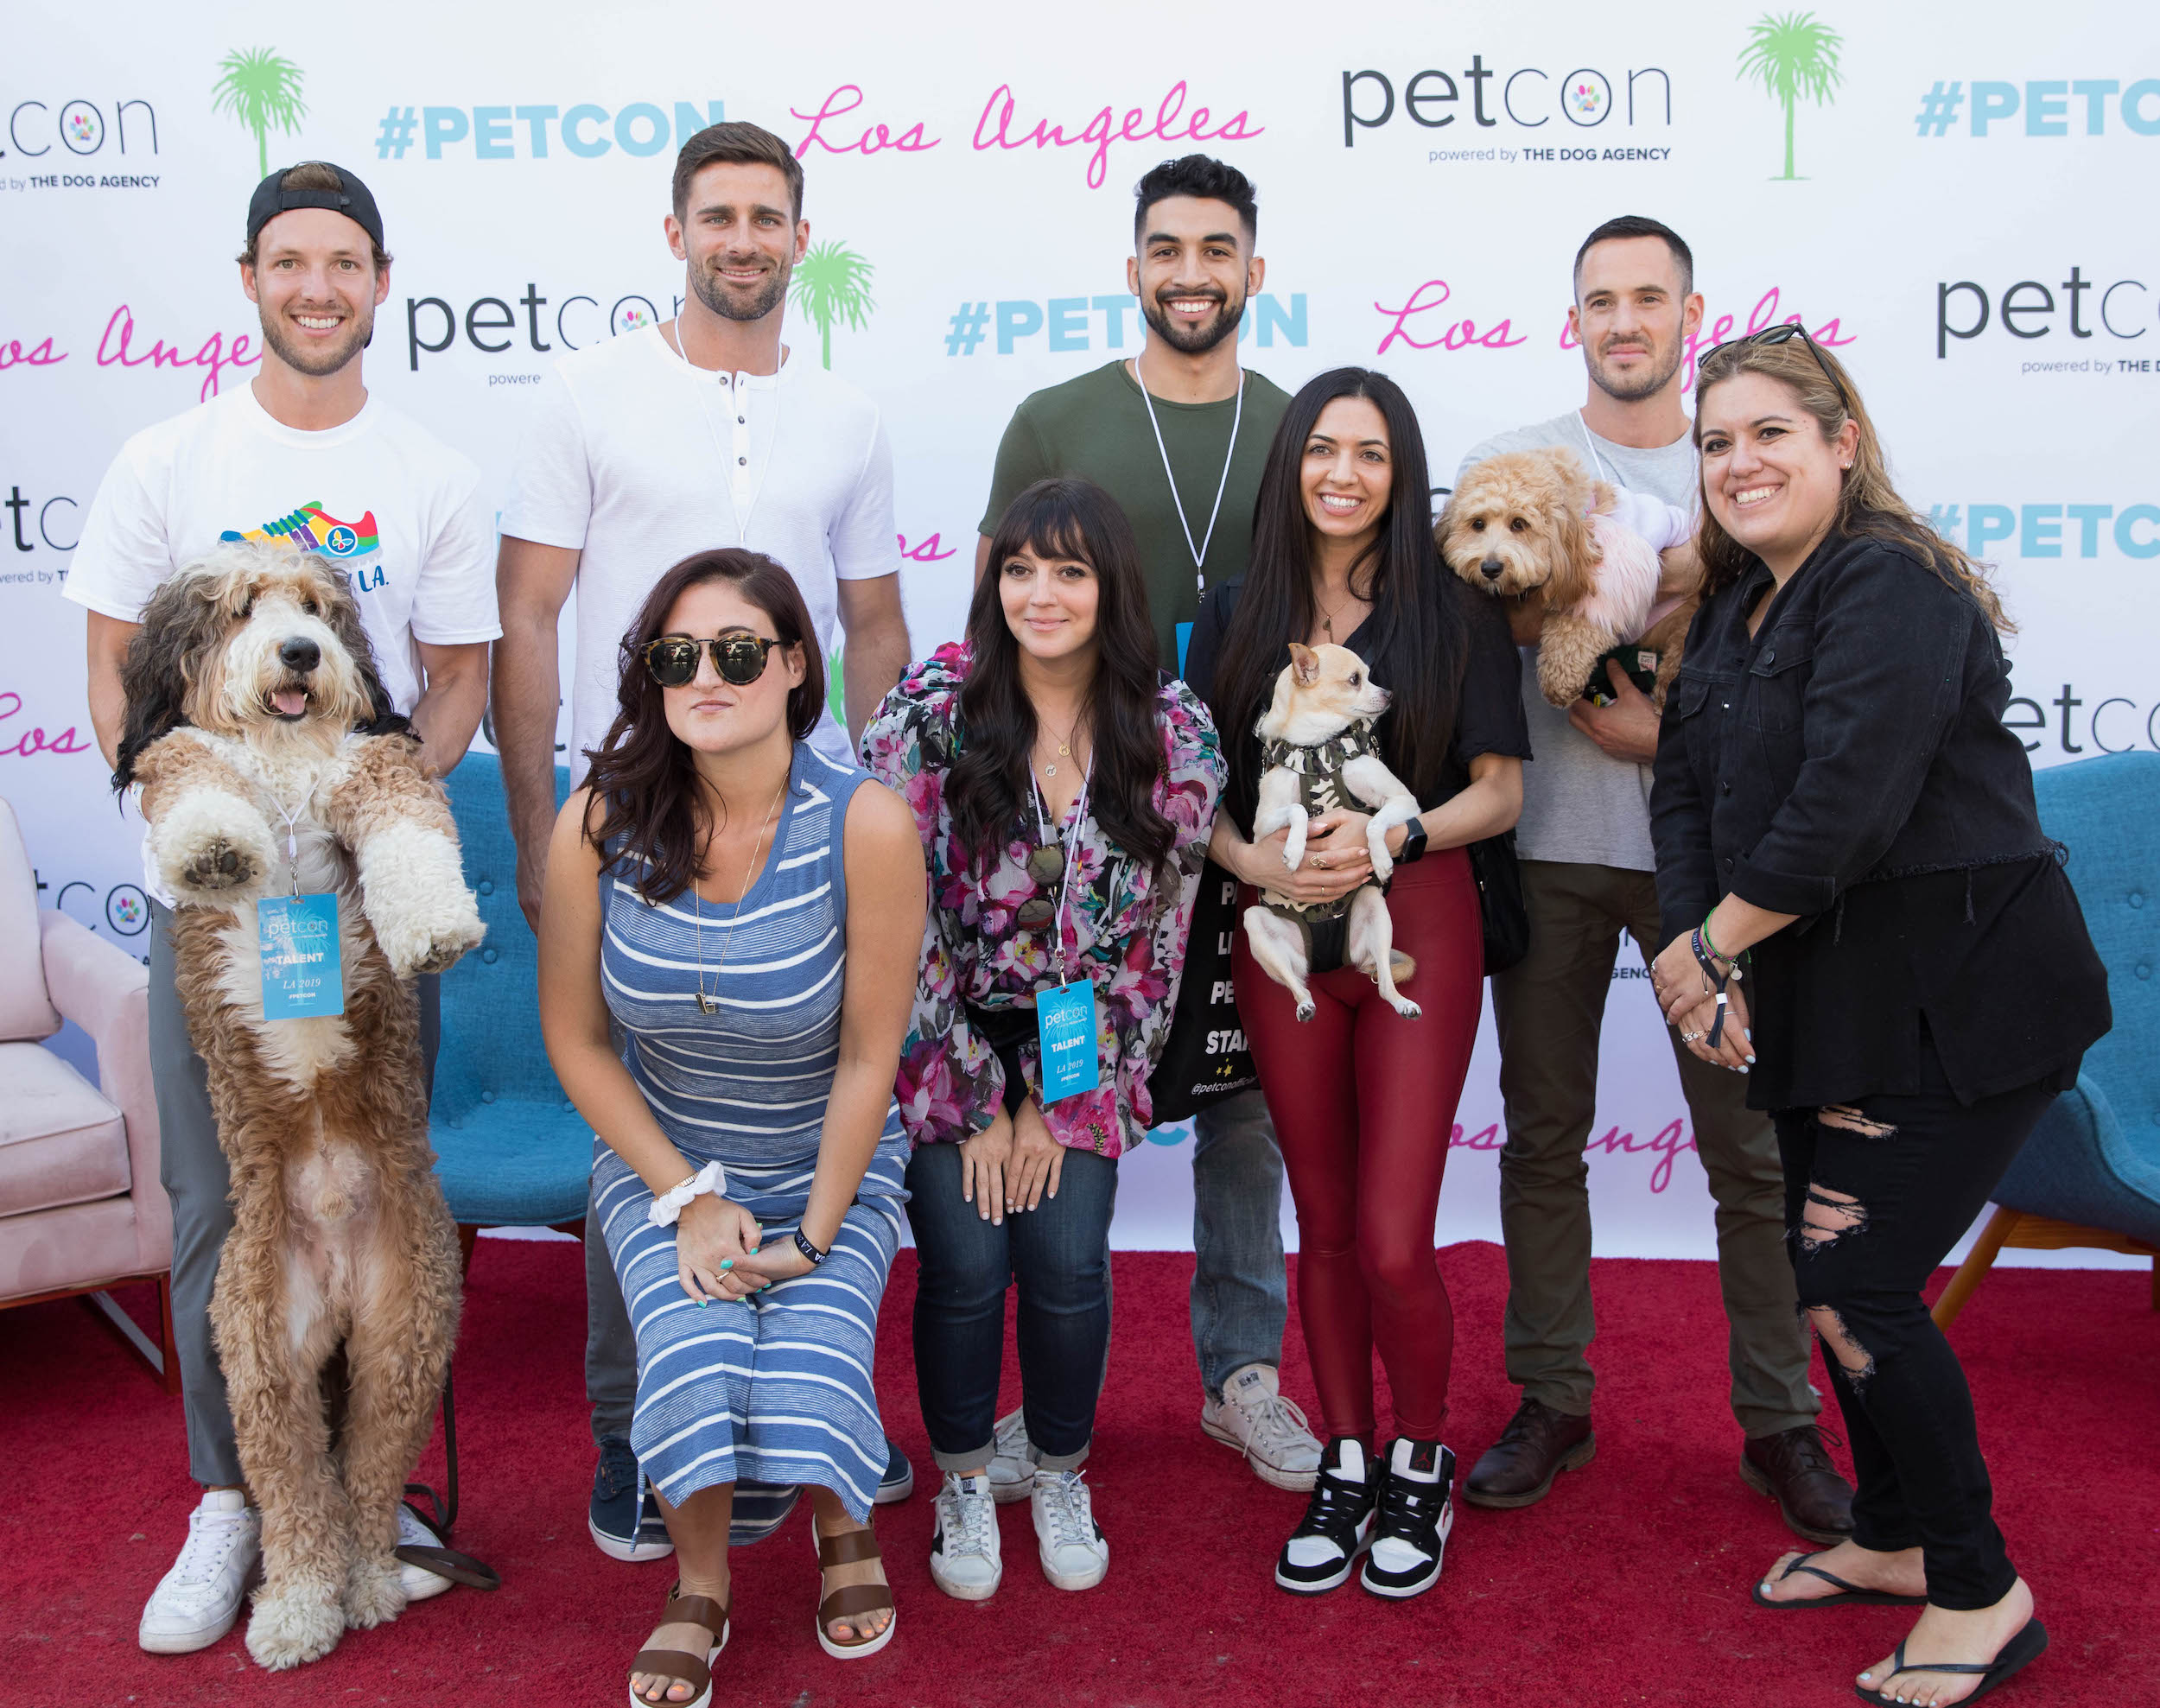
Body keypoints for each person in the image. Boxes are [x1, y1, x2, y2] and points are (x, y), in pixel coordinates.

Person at [67, 160, 497, 1656]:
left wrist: (370, 793)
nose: (318, 287)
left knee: (384, 1188)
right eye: (289, 262)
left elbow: (452, 679)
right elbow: (121, 672)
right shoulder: (162, 461)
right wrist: (209, 796)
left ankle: (369, 1496)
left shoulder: (434, 469)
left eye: (346, 264)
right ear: (250, 277)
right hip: (218, 921)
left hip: (372, 912)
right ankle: (236, 1494)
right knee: (219, 1208)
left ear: (382, 282)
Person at [1650, 327, 2107, 1707]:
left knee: (1856, 1288)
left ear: (1843, 440)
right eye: (1717, 442)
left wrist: (1710, 954)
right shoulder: (1736, 608)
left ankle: (1982, 1589)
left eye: (1769, 433)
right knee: (1829, 1276)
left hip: (1962, 1002)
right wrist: (1692, 944)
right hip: (1830, 999)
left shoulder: (1892, 587)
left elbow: (1844, 803)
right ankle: (1898, 1535)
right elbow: (1681, 792)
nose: (1740, 463)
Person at [494, 119, 917, 1557]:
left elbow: (871, 625)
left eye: (769, 216)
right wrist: (536, 831)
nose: (744, 237)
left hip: (802, 815)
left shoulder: (850, 419)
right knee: (649, 1107)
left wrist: (876, 805)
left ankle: (813, 1411)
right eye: (717, 213)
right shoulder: (581, 394)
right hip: (639, 808)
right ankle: (638, 1440)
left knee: (808, 1098)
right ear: (674, 232)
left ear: (803, 237)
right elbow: (533, 616)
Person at [1453, 215, 1853, 1540]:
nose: (1624, 320)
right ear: (1572, 318)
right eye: (1599, 300)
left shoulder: (1741, 462)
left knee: (1749, 1150)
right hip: (1552, 851)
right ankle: (1552, 1394)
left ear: (1690, 312)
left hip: (1715, 873)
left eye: (1648, 298)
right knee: (1545, 1136)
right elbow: (1493, 621)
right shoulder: (1513, 466)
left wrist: (1663, 727)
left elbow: (1791, 656)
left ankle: (1782, 1422)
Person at [975, 154, 1322, 1495]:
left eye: (1217, 249)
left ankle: (1244, 1375)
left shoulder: (1303, 426)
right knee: (1073, 1082)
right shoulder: (1053, 417)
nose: (1192, 273)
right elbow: (1008, 618)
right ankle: (1046, 1403)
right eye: (1166, 248)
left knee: (1247, 1107)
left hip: (1260, 815)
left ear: (1252, 270)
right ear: (1134, 269)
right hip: (1081, 825)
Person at [539, 549, 924, 1698]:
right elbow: (577, 1040)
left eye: (740, 651)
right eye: (677, 655)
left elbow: (870, 1056)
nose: (708, 674)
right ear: (650, 674)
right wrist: (688, 1197)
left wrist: (810, 1230)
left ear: (796, 664)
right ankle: (699, 1582)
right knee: (697, 1356)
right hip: (664, 1156)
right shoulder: (596, 823)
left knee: (805, 1359)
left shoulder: (867, 826)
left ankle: (843, 1523)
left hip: (827, 1151)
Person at [1188, 368, 1528, 1600]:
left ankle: (1421, 1457)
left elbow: (1501, 791)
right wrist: (1246, 856)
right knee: (1320, 1225)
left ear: (1403, 470)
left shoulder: (1452, 612)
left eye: (1371, 453)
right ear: (1292, 465)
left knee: (1391, 1237)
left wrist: (1396, 836)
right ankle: (1345, 1453)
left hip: (1413, 924)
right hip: (1273, 932)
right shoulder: (1238, 612)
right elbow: (1200, 791)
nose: (1343, 472)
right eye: (1322, 448)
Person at [862, 478, 1223, 1600]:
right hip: (944, 1041)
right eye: (1020, 568)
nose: (1041, 592)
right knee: (966, 1267)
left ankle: (1060, 1467)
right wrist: (978, 1100)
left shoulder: (1173, 728)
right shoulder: (925, 712)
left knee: (1067, 1265)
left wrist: (1050, 1104)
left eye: (1070, 569)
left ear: (1112, 584)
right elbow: (891, 921)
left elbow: (1151, 947)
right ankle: (965, 1475)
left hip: (1091, 1047)